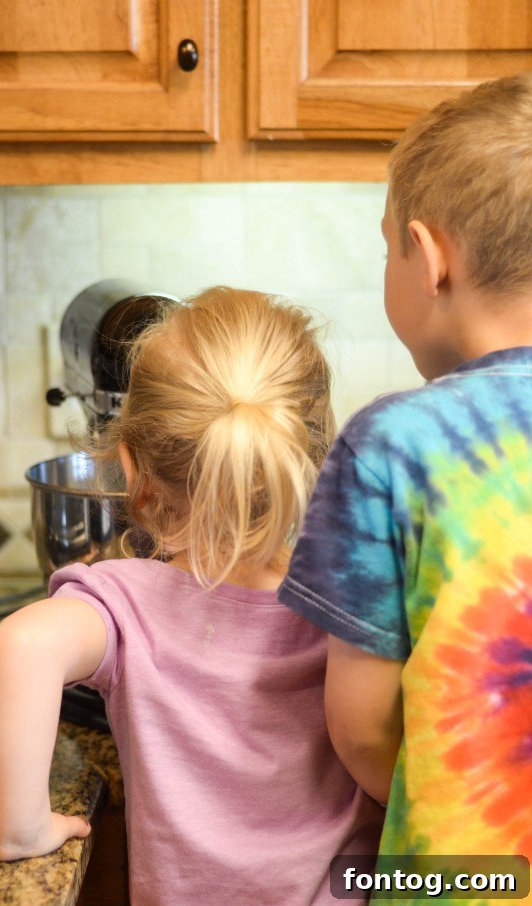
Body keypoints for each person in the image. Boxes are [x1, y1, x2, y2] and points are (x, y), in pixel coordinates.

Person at [0, 287, 384, 904]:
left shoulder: (126, 603)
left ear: (132, 472)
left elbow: (21, 646)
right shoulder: (350, 598)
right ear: (312, 454)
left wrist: (19, 828)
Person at [278, 71, 532, 882]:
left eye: (388, 244)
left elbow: (360, 729)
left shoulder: (392, 445)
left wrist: (445, 807)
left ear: (427, 259)